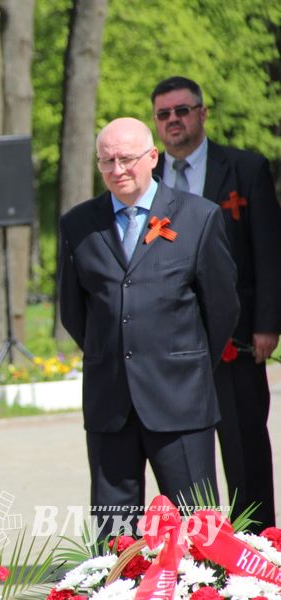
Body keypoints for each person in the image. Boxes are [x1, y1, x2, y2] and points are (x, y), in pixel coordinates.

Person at [58, 117, 239, 537]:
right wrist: (115, 355)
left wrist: (185, 363)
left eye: (126, 159)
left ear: (152, 158)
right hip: (110, 403)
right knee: (115, 533)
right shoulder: (78, 224)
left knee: (197, 530)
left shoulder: (198, 217)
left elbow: (222, 309)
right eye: (106, 161)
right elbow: (74, 311)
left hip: (181, 399)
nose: (117, 170)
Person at [151, 76, 281, 530]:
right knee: (183, 451)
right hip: (172, 339)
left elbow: (267, 248)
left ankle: (260, 544)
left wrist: (268, 322)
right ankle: (195, 547)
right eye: (164, 114)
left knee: (244, 442)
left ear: (202, 114)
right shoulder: (144, 179)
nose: (173, 121)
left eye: (182, 111)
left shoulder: (244, 169)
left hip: (238, 334)